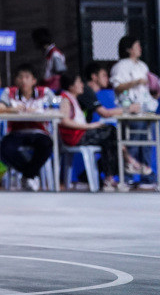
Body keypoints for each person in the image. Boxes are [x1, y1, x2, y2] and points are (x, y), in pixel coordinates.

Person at [57, 72, 126, 192]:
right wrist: (89, 126)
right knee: (110, 132)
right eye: (79, 82)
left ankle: (109, 176)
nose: (82, 85)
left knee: (111, 137)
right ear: (71, 86)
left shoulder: (74, 98)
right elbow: (64, 121)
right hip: (75, 137)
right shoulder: (65, 100)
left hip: (80, 133)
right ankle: (117, 171)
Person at [81, 61, 148, 175]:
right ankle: (129, 162)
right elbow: (105, 113)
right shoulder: (86, 91)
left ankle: (92, 177)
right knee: (112, 134)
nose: (107, 79)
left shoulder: (91, 93)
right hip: (78, 134)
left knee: (112, 138)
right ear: (94, 77)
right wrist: (129, 109)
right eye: (104, 75)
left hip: (84, 131)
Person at [0, 64, 55, 191]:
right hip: (16, 132)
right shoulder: (9, 92)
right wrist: (12, 109)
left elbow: (57, 110)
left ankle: (27, 175)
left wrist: (38, 111)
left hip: (39, 132)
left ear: (34, 80)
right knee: (5, 148)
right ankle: (31, 175)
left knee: (47, 145)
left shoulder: (45, 92)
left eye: (27, 77)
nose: (23, 80)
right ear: (16, 80)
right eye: (20, 77)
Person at [109, 36, 159, 185]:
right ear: (128, 49)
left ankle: (147, 177)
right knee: (132, 142)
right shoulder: (120, 67)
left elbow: (147, 88)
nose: (140, 48)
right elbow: (117, 87)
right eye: (137, 46)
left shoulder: (143, 66)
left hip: (145, 110)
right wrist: (135, 82)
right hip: (129, 110)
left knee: (147, 142)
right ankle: (128, 176)